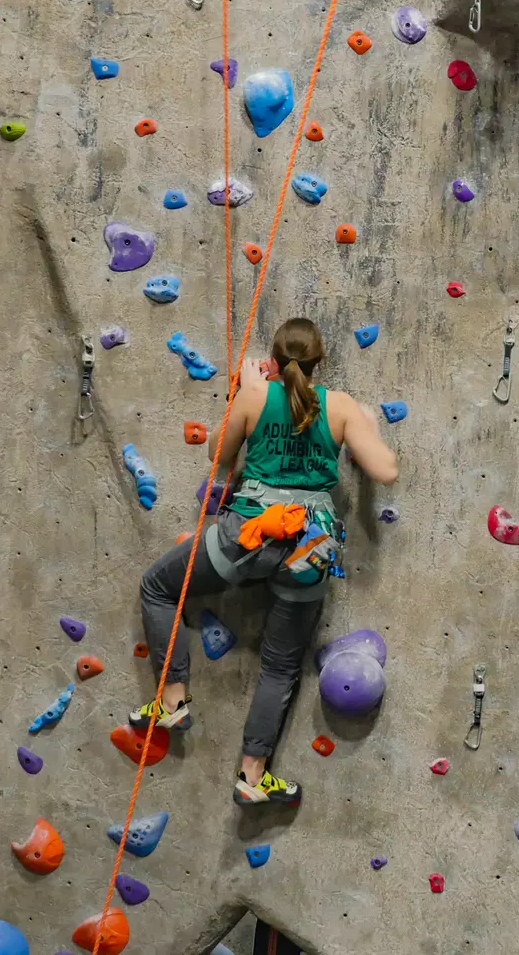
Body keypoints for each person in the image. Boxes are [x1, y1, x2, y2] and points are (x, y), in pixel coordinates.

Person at [132, 317, 399, 808]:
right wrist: (369, 424)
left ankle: (172, 699)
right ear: (319, 361)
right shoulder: (340, 407)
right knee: (279, 666)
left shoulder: (256, 396)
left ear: (273, 360)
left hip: (248, 534)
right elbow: (385, 469)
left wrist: (247, 393)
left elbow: (218, 455)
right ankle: (252, 776)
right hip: (307, 548)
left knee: (158, 587)